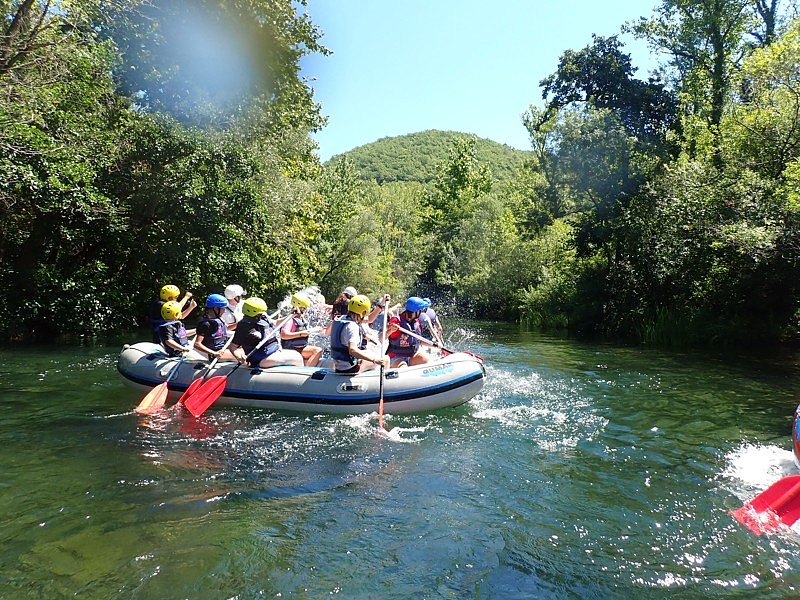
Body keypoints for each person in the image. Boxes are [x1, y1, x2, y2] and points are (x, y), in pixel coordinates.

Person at [229, 297, 304, 368]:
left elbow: (275, 323)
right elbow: (232, 346)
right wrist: (239, 356)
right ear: (253, 312)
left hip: (272, 352)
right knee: (298, 358)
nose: (262, 313)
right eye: (260, 313)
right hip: (260, 359)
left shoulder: (262, 318)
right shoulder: (244, 326)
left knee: (296, 354)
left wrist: (291, 315)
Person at [330, 294, 390, 374]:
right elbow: (352, 350)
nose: (365, 315)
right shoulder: (352, 327)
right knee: (385, 359)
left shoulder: (343, 318)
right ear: (363, 312)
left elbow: (369, 319)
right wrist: (375, 360)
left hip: (340, 365)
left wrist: (381, 304)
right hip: (350, 368)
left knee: (369, 352)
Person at [386, 296, 440, 367]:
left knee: (426, 360)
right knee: (403, 366)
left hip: (412, 355)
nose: (421, 313)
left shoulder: (416, 322)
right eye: (420, 311)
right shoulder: (396, 321)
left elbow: (418, 340)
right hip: (396, 356)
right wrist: (390, 331)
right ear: (415, 312)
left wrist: (434, 345)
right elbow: (381, 338)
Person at [280, 293, 323, 367]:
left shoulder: (300, 319)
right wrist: (302, 334)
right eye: (304, 308)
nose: (306, 310)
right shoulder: (290, 319)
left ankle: (308, 368)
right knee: (317, 350)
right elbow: (283, 335)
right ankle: (307, 372)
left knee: (318, 350)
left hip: (301, 348)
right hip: (291, 349)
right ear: (300, 307)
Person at [194, 294, 237, 361]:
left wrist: (239, 323)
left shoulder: (219, 320)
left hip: (222, 350)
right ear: (216, 308)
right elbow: (197, 344)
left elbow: (227, 327)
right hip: (213, 353)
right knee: (240, 354)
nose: (224, 311)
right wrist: (213, 353)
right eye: (223, 308)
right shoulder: (205, 324)